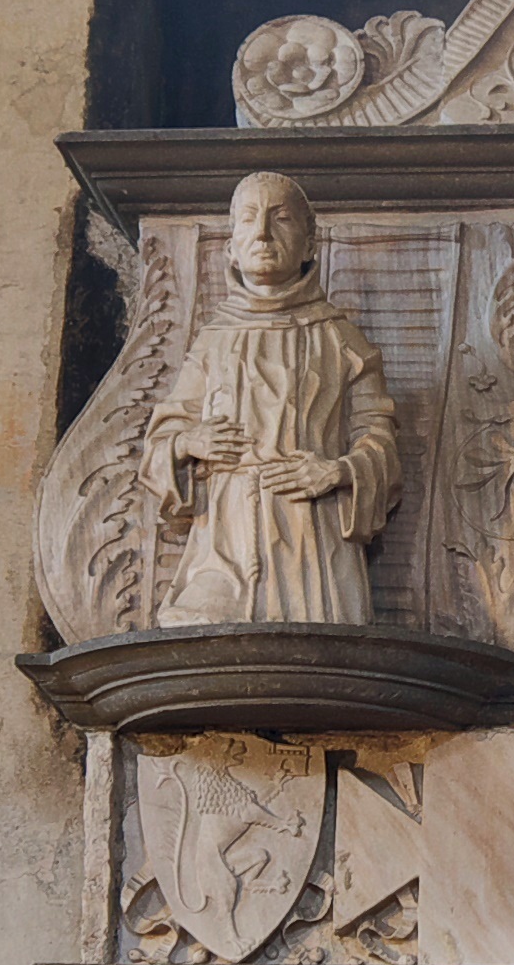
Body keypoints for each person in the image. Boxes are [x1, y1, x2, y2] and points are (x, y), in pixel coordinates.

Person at [144, 172, 402, 625]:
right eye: (248, 220)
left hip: (312, 534)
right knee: (199, 632)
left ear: (308, 246)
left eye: (280, 219)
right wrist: (189, 443)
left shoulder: (340, 340)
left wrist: (336, 471)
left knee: (318, 653)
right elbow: (164, 433)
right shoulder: (213, 340)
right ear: (231, 247)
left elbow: (380, 442)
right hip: (224, 533)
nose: (262, 233)